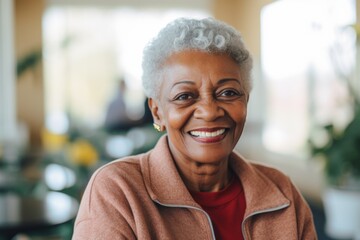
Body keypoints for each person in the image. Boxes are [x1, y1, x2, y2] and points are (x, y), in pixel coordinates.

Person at [73, 18, 317, 239]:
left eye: (228, 92)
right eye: (184, 96)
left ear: (246, 101)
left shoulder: (281, 191)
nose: (210, 111)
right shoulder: (117, 192)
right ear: (157, 111)